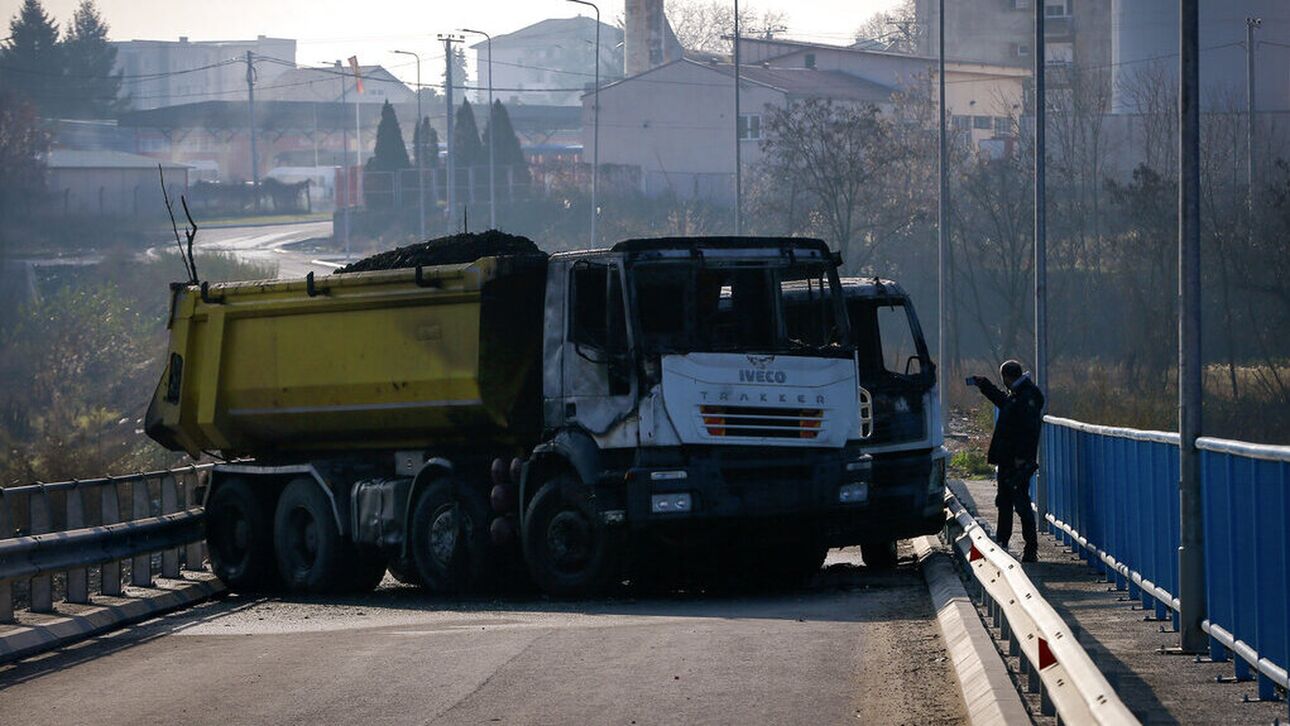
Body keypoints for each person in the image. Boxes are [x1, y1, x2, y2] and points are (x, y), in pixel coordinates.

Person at [968, 360, 1045, 562]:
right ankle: (1003, 542)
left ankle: (1030, 548)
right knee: (1005, 501)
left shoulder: (1028, 396)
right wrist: (984, 385)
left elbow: (1029, 430)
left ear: (1007, 377)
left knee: (1020, 502)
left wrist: (1022, 457)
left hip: (1017, 461)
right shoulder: (1020, 395)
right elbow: (1004, 403)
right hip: (1008, 459)